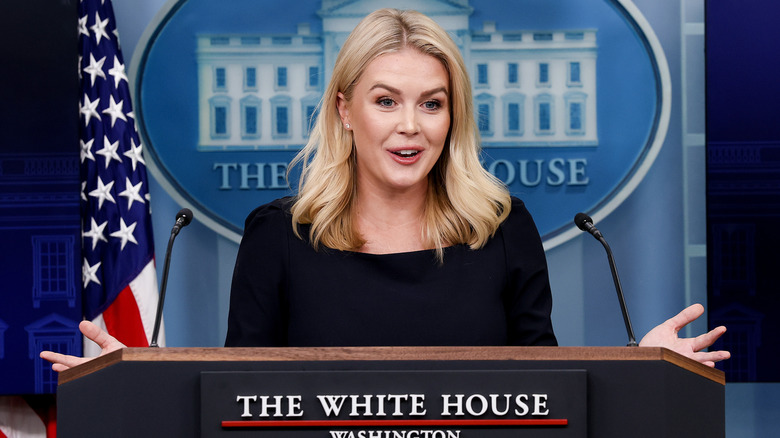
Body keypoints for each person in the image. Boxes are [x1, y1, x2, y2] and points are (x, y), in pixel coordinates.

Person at [41, 8, 729, 371]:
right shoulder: (277, 235)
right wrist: (140, 376)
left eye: (432, 103)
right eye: (385, 100)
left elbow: (540, 389)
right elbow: (238, 390)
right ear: (344, 110)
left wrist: (638, 370)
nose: (410, 127)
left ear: (453, 114)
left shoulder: (502, 226)